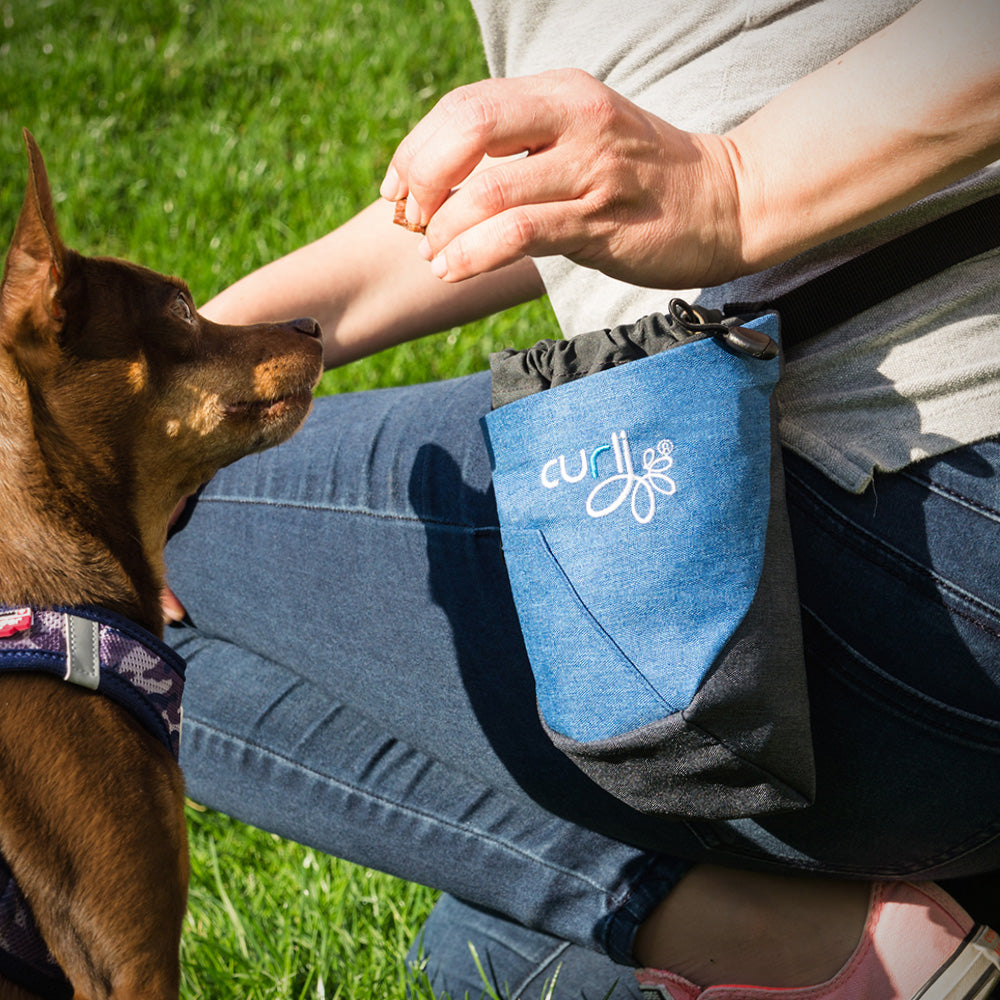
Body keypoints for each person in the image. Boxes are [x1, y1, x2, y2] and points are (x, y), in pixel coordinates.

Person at [162, 0, 1000, 996]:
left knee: (68, 587)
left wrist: (739, 186)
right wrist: (194, 357)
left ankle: (845, 954)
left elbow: (709, 155)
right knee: (492, 952)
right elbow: (582, 182)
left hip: (926, 519)